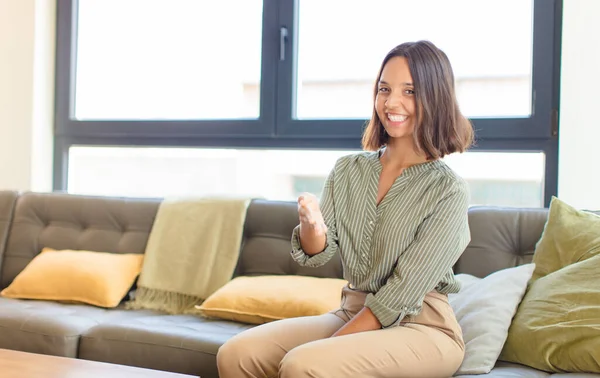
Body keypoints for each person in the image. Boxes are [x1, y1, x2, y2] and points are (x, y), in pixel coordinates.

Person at [217, 40, 474, 378]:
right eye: (385, 89)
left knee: (302, 364)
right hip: (353, 310)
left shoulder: (448, 189)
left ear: (435, 98)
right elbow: (319, 254)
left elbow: (402, 291)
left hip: (421, 327)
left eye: (409, 91)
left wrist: (327, 346)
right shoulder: (348, 170)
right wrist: (314, 228)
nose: (391, 102)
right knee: (236, 353)